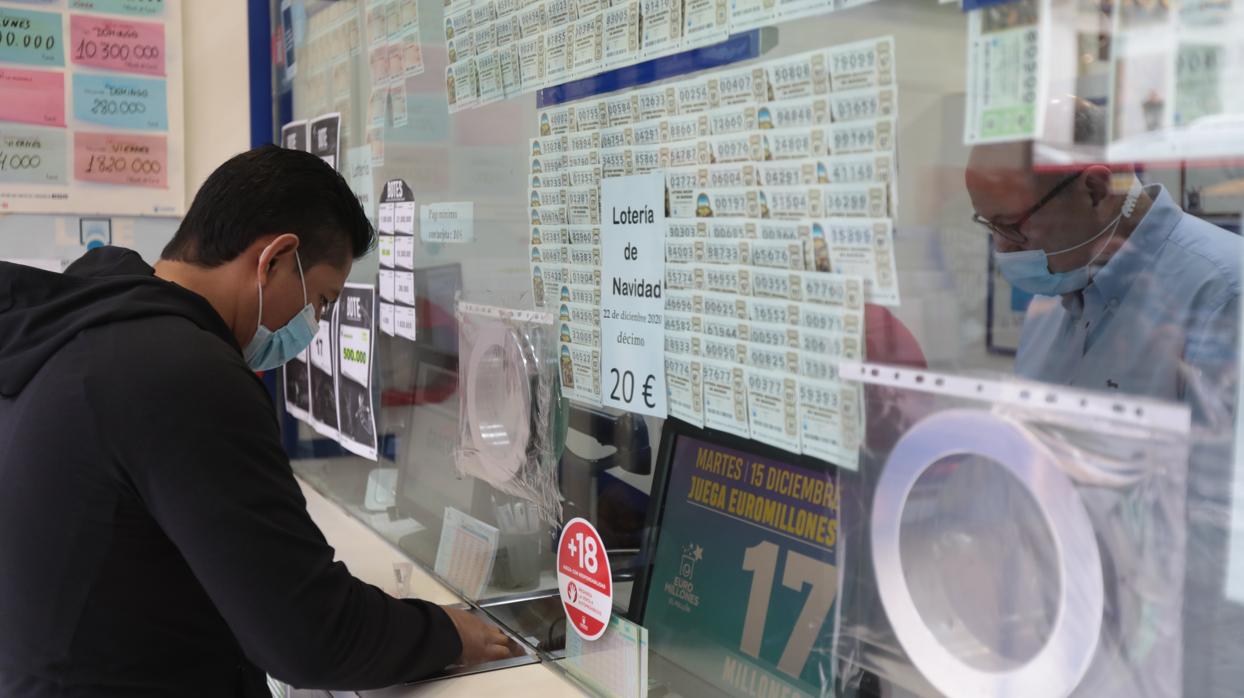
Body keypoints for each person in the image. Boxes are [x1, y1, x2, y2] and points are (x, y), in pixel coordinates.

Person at [0, 145, 513, 697]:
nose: (311, 326)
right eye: (319, 301)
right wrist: (446, 634)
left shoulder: (89, 329)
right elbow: (311, 637)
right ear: (274, 259)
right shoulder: (179, 372)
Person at [965, 101, 1242, 697]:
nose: (1004, 251)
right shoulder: (1054, 300)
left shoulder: (1220, 293)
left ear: (1094, 188)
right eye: (988, 228)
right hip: (1059, 639)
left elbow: (1220, 544)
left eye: (1013, 226)